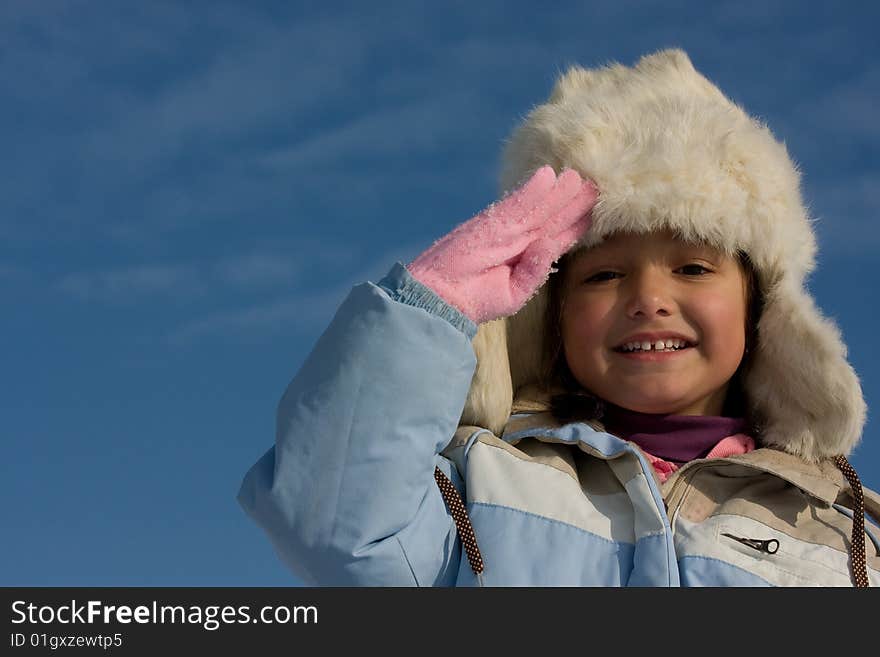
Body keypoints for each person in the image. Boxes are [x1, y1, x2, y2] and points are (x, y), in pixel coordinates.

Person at [238, 48, 880, 586]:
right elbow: (331, 527)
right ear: (550, 311)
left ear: (761, 305)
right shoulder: (478, 485)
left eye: (692, 268)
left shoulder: (843, 533)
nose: (648, 300)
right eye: (603, 274)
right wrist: (427, 310)